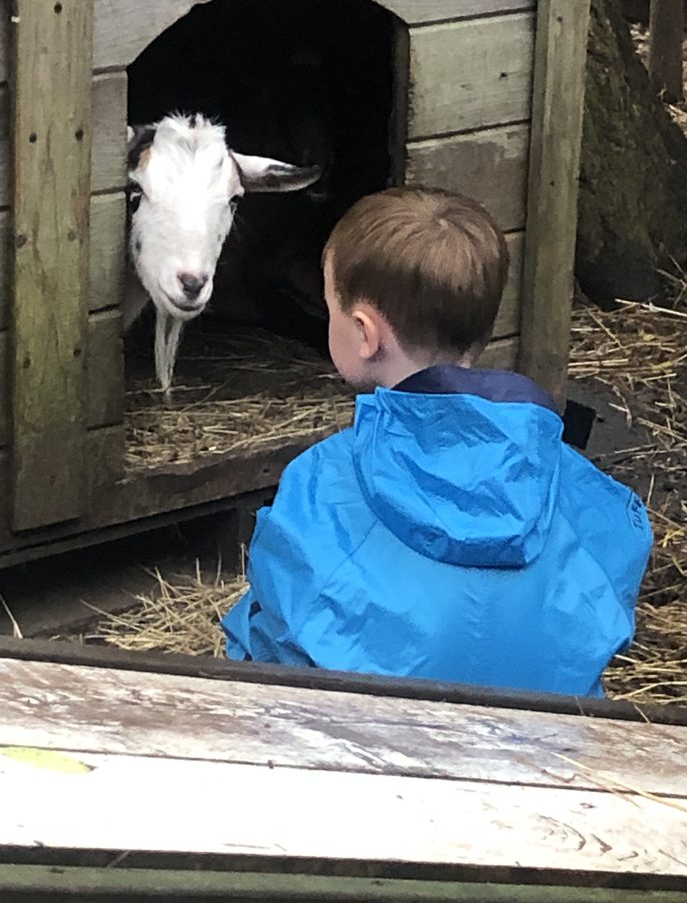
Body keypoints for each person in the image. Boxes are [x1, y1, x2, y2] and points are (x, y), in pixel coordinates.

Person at [222, 186, 652, 696]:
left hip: (374, 754)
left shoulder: (323, 482)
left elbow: (272, 639)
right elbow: (610, 592)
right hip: (544, 751)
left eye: (330, 302)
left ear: (364, 333)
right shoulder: (575, 482)